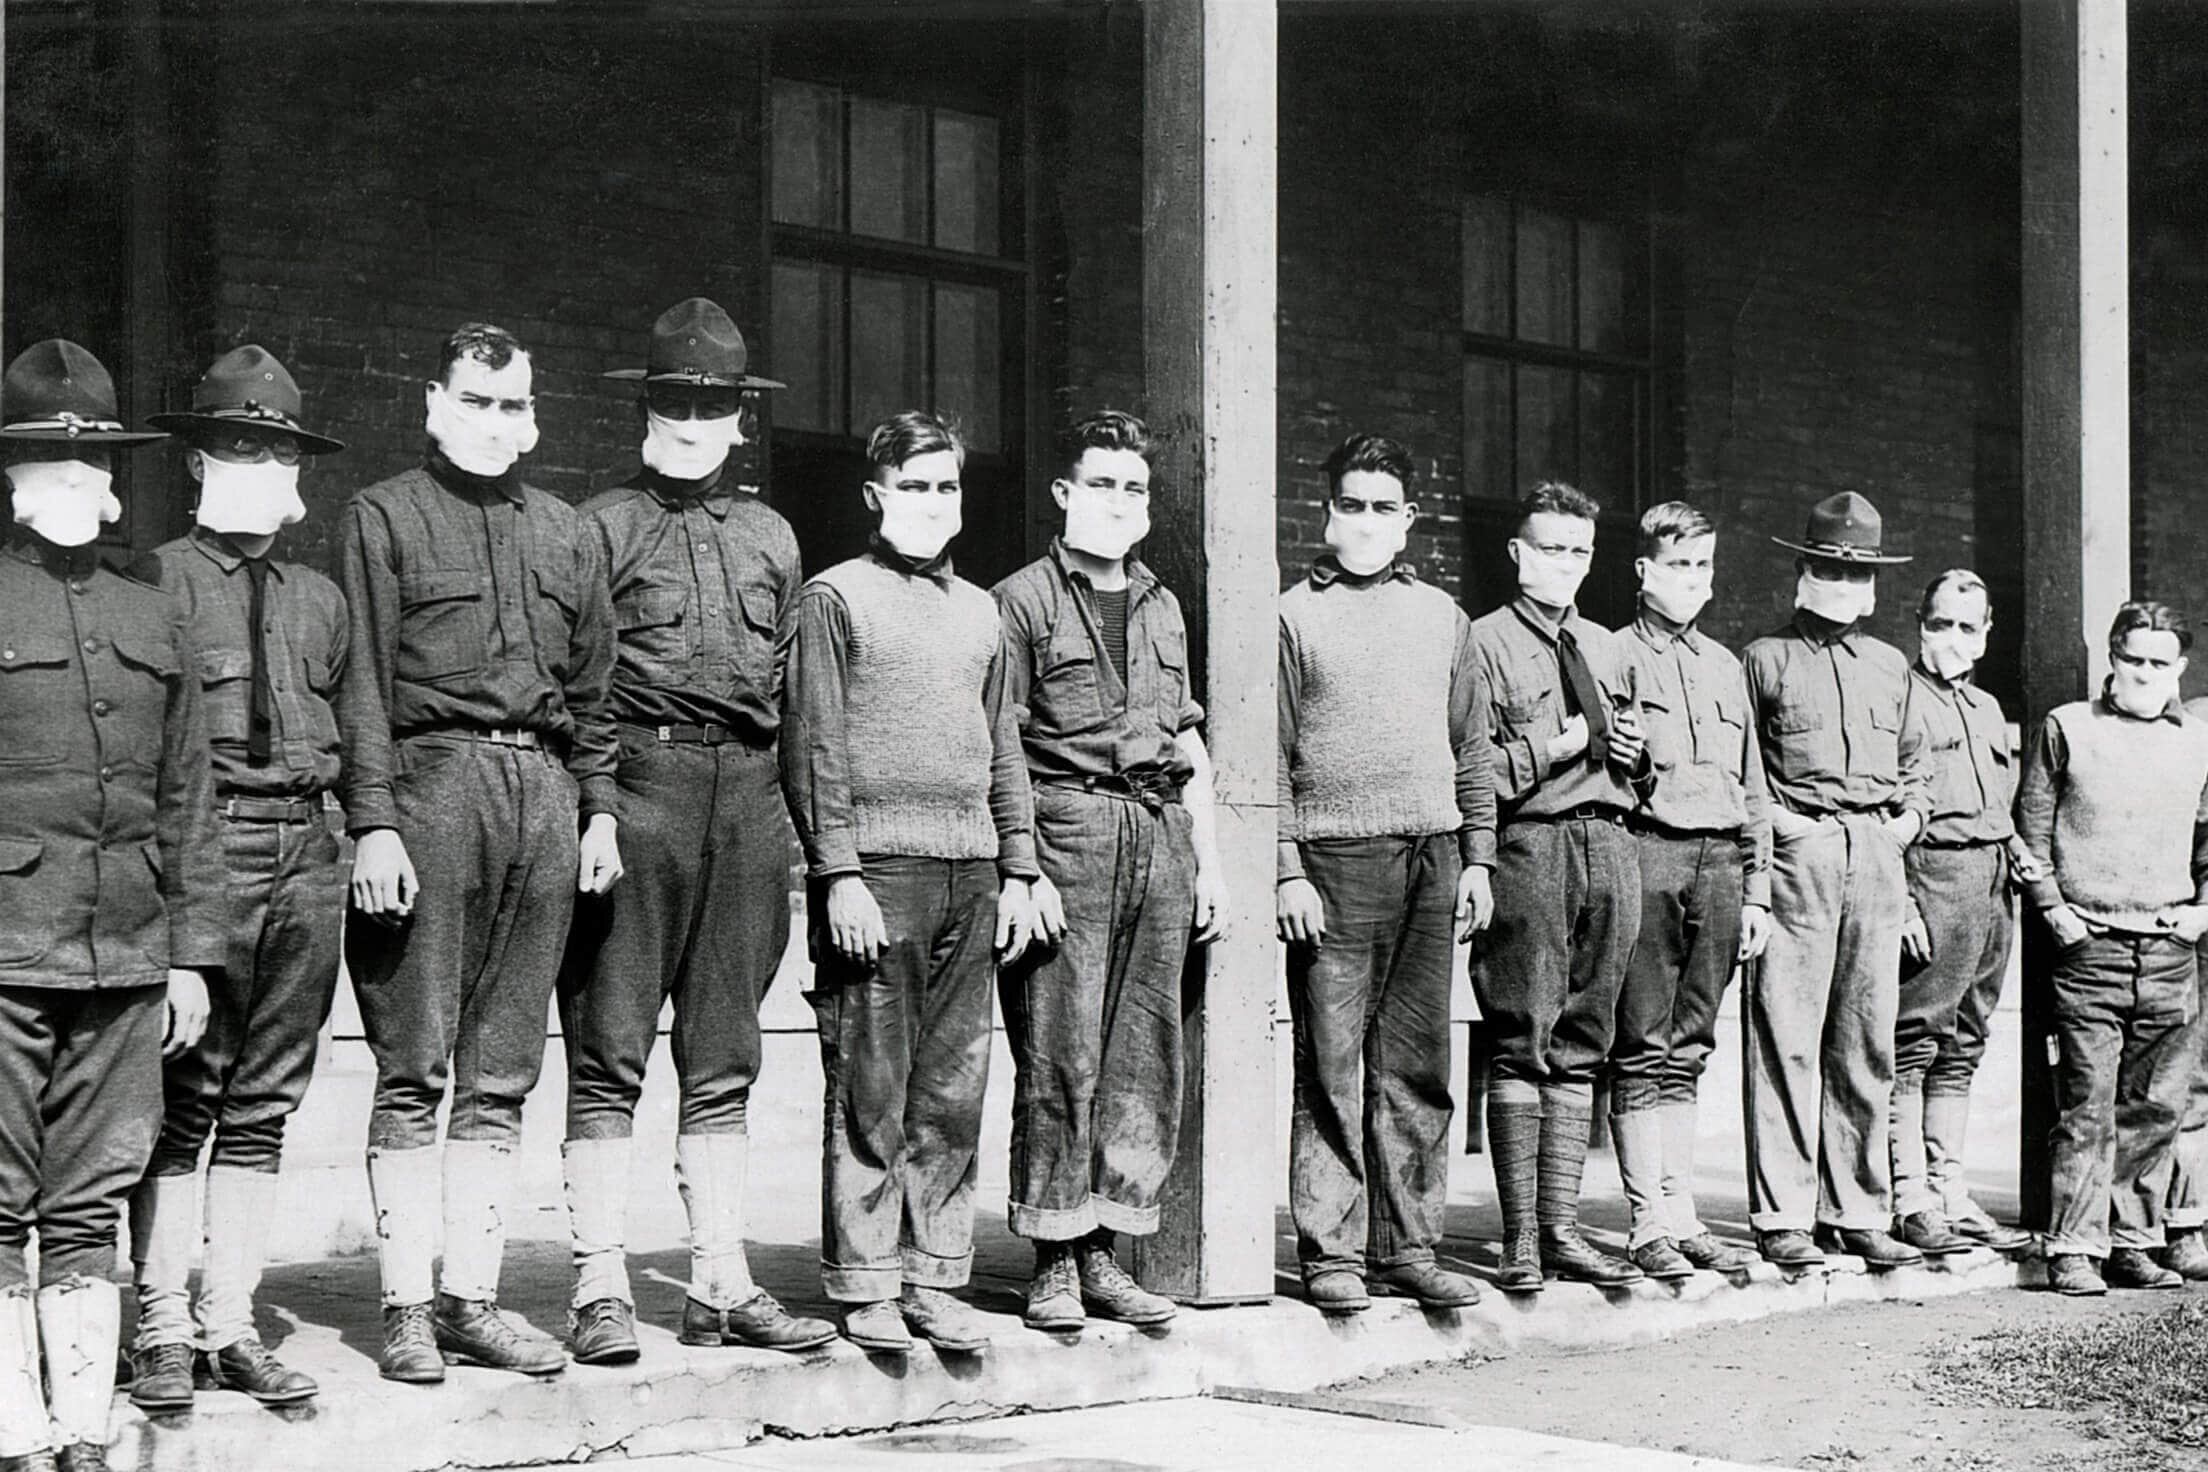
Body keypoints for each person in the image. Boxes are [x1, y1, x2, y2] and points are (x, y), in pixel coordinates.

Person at [339, 322, 620, 1383]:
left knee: (502, 1067)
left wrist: (596, 809)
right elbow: (361, 679)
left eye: (512, 405)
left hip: (543, 793)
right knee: (415, 1060)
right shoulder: (383, 515)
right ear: (433, 402)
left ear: (533, 414)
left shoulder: (564, 530)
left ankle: (473, 1299)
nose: (494, 422)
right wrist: (373, 820)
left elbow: (594, 695)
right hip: (431, 785)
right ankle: (407, 1301)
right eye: (475, 400)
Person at [556, 299, 832, 1362]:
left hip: (749, 798)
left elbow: (796, 691)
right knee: (608, 1048)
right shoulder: (601, 527)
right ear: (646, 407)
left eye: (714, 404)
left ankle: (719, 1279)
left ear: (739, 419)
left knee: (727, 1051)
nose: (693, 421)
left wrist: (804, 837)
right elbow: (578, 687)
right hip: (641, 786)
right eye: (675, 400)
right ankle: (598, 1288)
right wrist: (596, 807)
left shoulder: (771, 534)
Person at [0, 340, 220, 1472]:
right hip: (5, 954)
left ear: (120, 482)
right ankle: (13, 1431)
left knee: (91, 1197)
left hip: (129, 954)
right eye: (49, 466)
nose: (76, 488)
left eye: (95, 470)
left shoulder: (155, 605)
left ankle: (82, 1428)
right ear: (11, 478)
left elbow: (190, 794)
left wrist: (191, 954)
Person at [781, 410, 1040, 1355]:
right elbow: (813, 747)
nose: (934, 505)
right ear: (876, 494)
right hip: (878, 873)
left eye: (948, 488)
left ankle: (934, 1276)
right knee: (870, 1085)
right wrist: (837, 873)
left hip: (970, 872)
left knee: (953, 1088)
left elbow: (1001, 744)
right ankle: (863, 1283)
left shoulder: (983, 613)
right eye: (916, 487)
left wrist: (1019, 864)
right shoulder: (833, 598)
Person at [127, 347, 350, 1412]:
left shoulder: (321, 598)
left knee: (263, 1101)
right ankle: (162, 1321)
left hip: (309, 848)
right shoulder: (156, 579)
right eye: (237, 445)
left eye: (276, 448)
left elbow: (358, 731)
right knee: (183, 1096)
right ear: (198, 463)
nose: (257, 465)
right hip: (207, 848)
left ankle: (230, 1320)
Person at [992, 410, 1223, 1332]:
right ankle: (1051, 1256)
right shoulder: (1021, 600)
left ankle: (1105, 1253)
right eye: (1101, 485)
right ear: (1063, 493)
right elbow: (1002, 740)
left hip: (1158, 832)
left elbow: (1189, 737)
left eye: (1134, 489)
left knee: (1143, 1053)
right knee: (1061, 1047)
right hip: (1069, 827)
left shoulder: (1164, 605)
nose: (1119, 504)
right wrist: (1023, 864)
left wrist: (1208, 860)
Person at [1276, 433, 1495, 1314]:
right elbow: (1271, 756)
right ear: (1327, 513)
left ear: (1409, 521)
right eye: (1350, 505)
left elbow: (1470, 746)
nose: (1365, 523)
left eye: (1383, 508)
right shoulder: (1291, 616)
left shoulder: (1444, 618)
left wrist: (1478, 855)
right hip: (1335, 862)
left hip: (1432, 859)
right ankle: (1332, 1250)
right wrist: (1287, 869)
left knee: (1416, 1064)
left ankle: (1409, 1243)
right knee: (1331, 1062)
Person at [1468, 481, 1648, 1293]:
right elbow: (1475, 771)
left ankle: (1563, 1227)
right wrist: (1556, 743)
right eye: (1549, 549)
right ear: (1517, 553)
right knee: (1522, 1030)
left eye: (1578, 551)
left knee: (1585, 1039)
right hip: (1531, 844)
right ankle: (1519, 1242)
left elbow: (1638, 768)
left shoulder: (1610, 648)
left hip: (1609, 842)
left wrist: (1635, 751)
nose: (1565, 566)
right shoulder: (1480, 644)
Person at [1741, 491, 1928, 1272]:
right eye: (1828, 568)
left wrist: (1900, 828)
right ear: (1801, 571)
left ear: (1876, 585)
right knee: (1786, 1035)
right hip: (1801, 855)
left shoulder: (1891, 667)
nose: (1843, 584)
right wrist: (1786, 832)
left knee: (1865, 1040)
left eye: (1858, 574)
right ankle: (1783, 1213)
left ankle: (1856, 1209)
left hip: (1875, 857)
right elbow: (1748, 773)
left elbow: (1919, 772)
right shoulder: (1765, 659)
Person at [2016, 601, 2208, 1296]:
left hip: (2167, 951)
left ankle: (2133, 1241)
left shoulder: (2197, 743)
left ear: (2180, 668)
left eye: (2161, 662)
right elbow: (2029, 830)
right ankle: (2073, 1246)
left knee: (2157, 1106)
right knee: (2087, 1104)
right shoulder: (2069, 728)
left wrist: (2200, 914)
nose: (2146, 673)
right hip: (2089, 947)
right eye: (2134, 659)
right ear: (2112, 660)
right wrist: (2054, 912)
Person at [1605, 502, 1770, 1281]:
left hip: (1721, 865)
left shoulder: (1725, 666)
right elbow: (1608, 774)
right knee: (1643, 1040)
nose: (1692, 581)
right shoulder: (1614, 656)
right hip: (1648, 852)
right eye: (1678, 566)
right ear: (1643, 572)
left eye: (1703, 566)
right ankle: (1647, 1223)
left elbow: (1754, 785)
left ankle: (1683, 1211)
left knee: (1692, 1044)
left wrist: (1760, 888)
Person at [1889, 570, 2034, 1259]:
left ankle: (1949, 1188)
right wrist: (1904, 901)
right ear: (1920, 624)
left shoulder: (1984, 707)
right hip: (1933, 873)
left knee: (1966, 1042)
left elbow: (1996, 805)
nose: (1952, 638)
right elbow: (1890, 810)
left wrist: (2021, 855)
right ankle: (1908, 1194)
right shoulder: (1899, 698)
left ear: (1986, 632)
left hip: (1992, 884)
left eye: (1966, 627)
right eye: (1940, 623)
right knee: (1914, 1038)